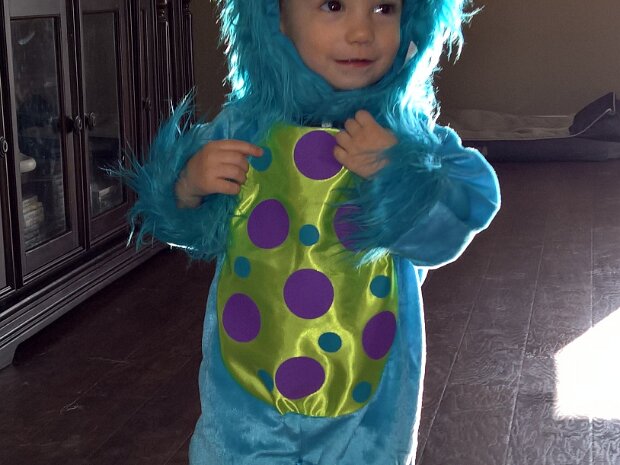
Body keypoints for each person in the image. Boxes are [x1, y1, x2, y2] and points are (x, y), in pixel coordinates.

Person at [123, 1, 500, 464]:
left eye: (384, 8)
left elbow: (450, 230)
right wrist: (187, 187)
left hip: (366, 408)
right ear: (276, 16)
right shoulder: (242, 129)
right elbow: (193, 230)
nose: (362, 31)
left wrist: (399, 176)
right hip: (247, 401)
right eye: (333, 5)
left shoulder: (408, 137)